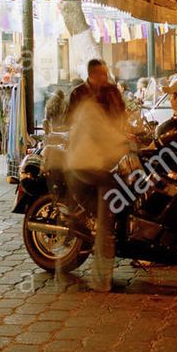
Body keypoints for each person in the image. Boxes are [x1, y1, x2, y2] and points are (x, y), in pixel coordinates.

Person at [65, 60, 129, 292]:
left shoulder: (110, 92)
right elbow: (104, 132)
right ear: (92, 75)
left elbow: (120, 117)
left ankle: (90, 223)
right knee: (106, 220)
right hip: (92, 164)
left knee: (106, 213)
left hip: (94, 160)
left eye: (106, 74)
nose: (105, 78)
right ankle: (101, 280)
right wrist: (125, 144)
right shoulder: (83, 100)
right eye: (101, 74)